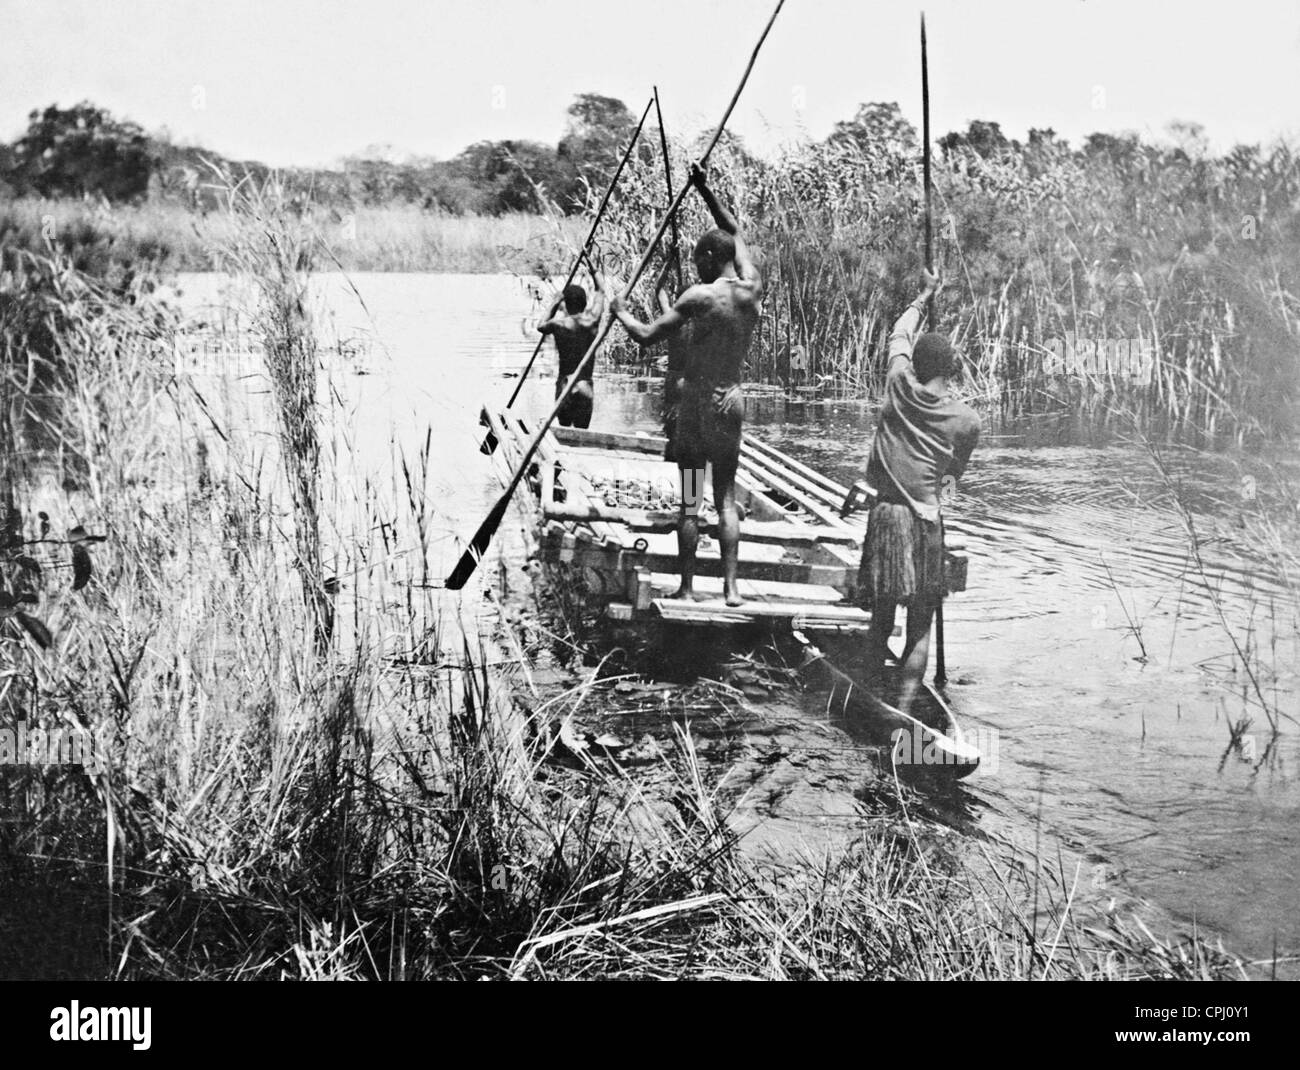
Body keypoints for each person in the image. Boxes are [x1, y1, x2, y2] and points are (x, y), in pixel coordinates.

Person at [610, 163, 763, 607]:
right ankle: (732, 590)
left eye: (699, 260)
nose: (695, 267)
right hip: (732, 399)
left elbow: (644, 335)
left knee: (691, 500)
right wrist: (704, 189)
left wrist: (620, 310)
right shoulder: (752, 289)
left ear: (709, 260)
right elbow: (733, 229)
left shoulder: (699, 297)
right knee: (727, 498)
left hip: (698, 403)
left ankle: (689, 586)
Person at [860, 270, 980, 714]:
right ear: (951, 370)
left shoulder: (897, 384)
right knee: (919, 628)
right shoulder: (966, 420)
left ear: (916, 366)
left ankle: (873, 696)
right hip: (928, 523)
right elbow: (952, 477)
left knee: (881, 617)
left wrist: (923, 295)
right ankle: (905, 708)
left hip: (889, 517)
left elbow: (899, 334)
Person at [537, 257, 605, 428]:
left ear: (566, 305)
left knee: (564, 434)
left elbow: (540, 326)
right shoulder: (592, 320)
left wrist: (554, 302)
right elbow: (601, 290)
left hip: (564, 384)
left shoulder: (558, 324)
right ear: (585, 303)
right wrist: (592, 265)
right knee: (582, 434)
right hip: (584, 385)